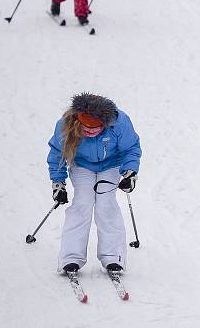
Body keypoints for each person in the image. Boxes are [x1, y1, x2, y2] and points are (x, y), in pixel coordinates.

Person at [47, 92, 141, 275]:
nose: (89, 132)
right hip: (82, 165)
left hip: (111, 165)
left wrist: (130, 173)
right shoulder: (64, 125)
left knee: (106, 205)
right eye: (86, 128)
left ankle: (113, 257)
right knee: (82, 203)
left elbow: (131, 148)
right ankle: (70, 257)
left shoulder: (120, 123)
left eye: (95, 129)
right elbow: (57, 154)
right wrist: (58, 183)